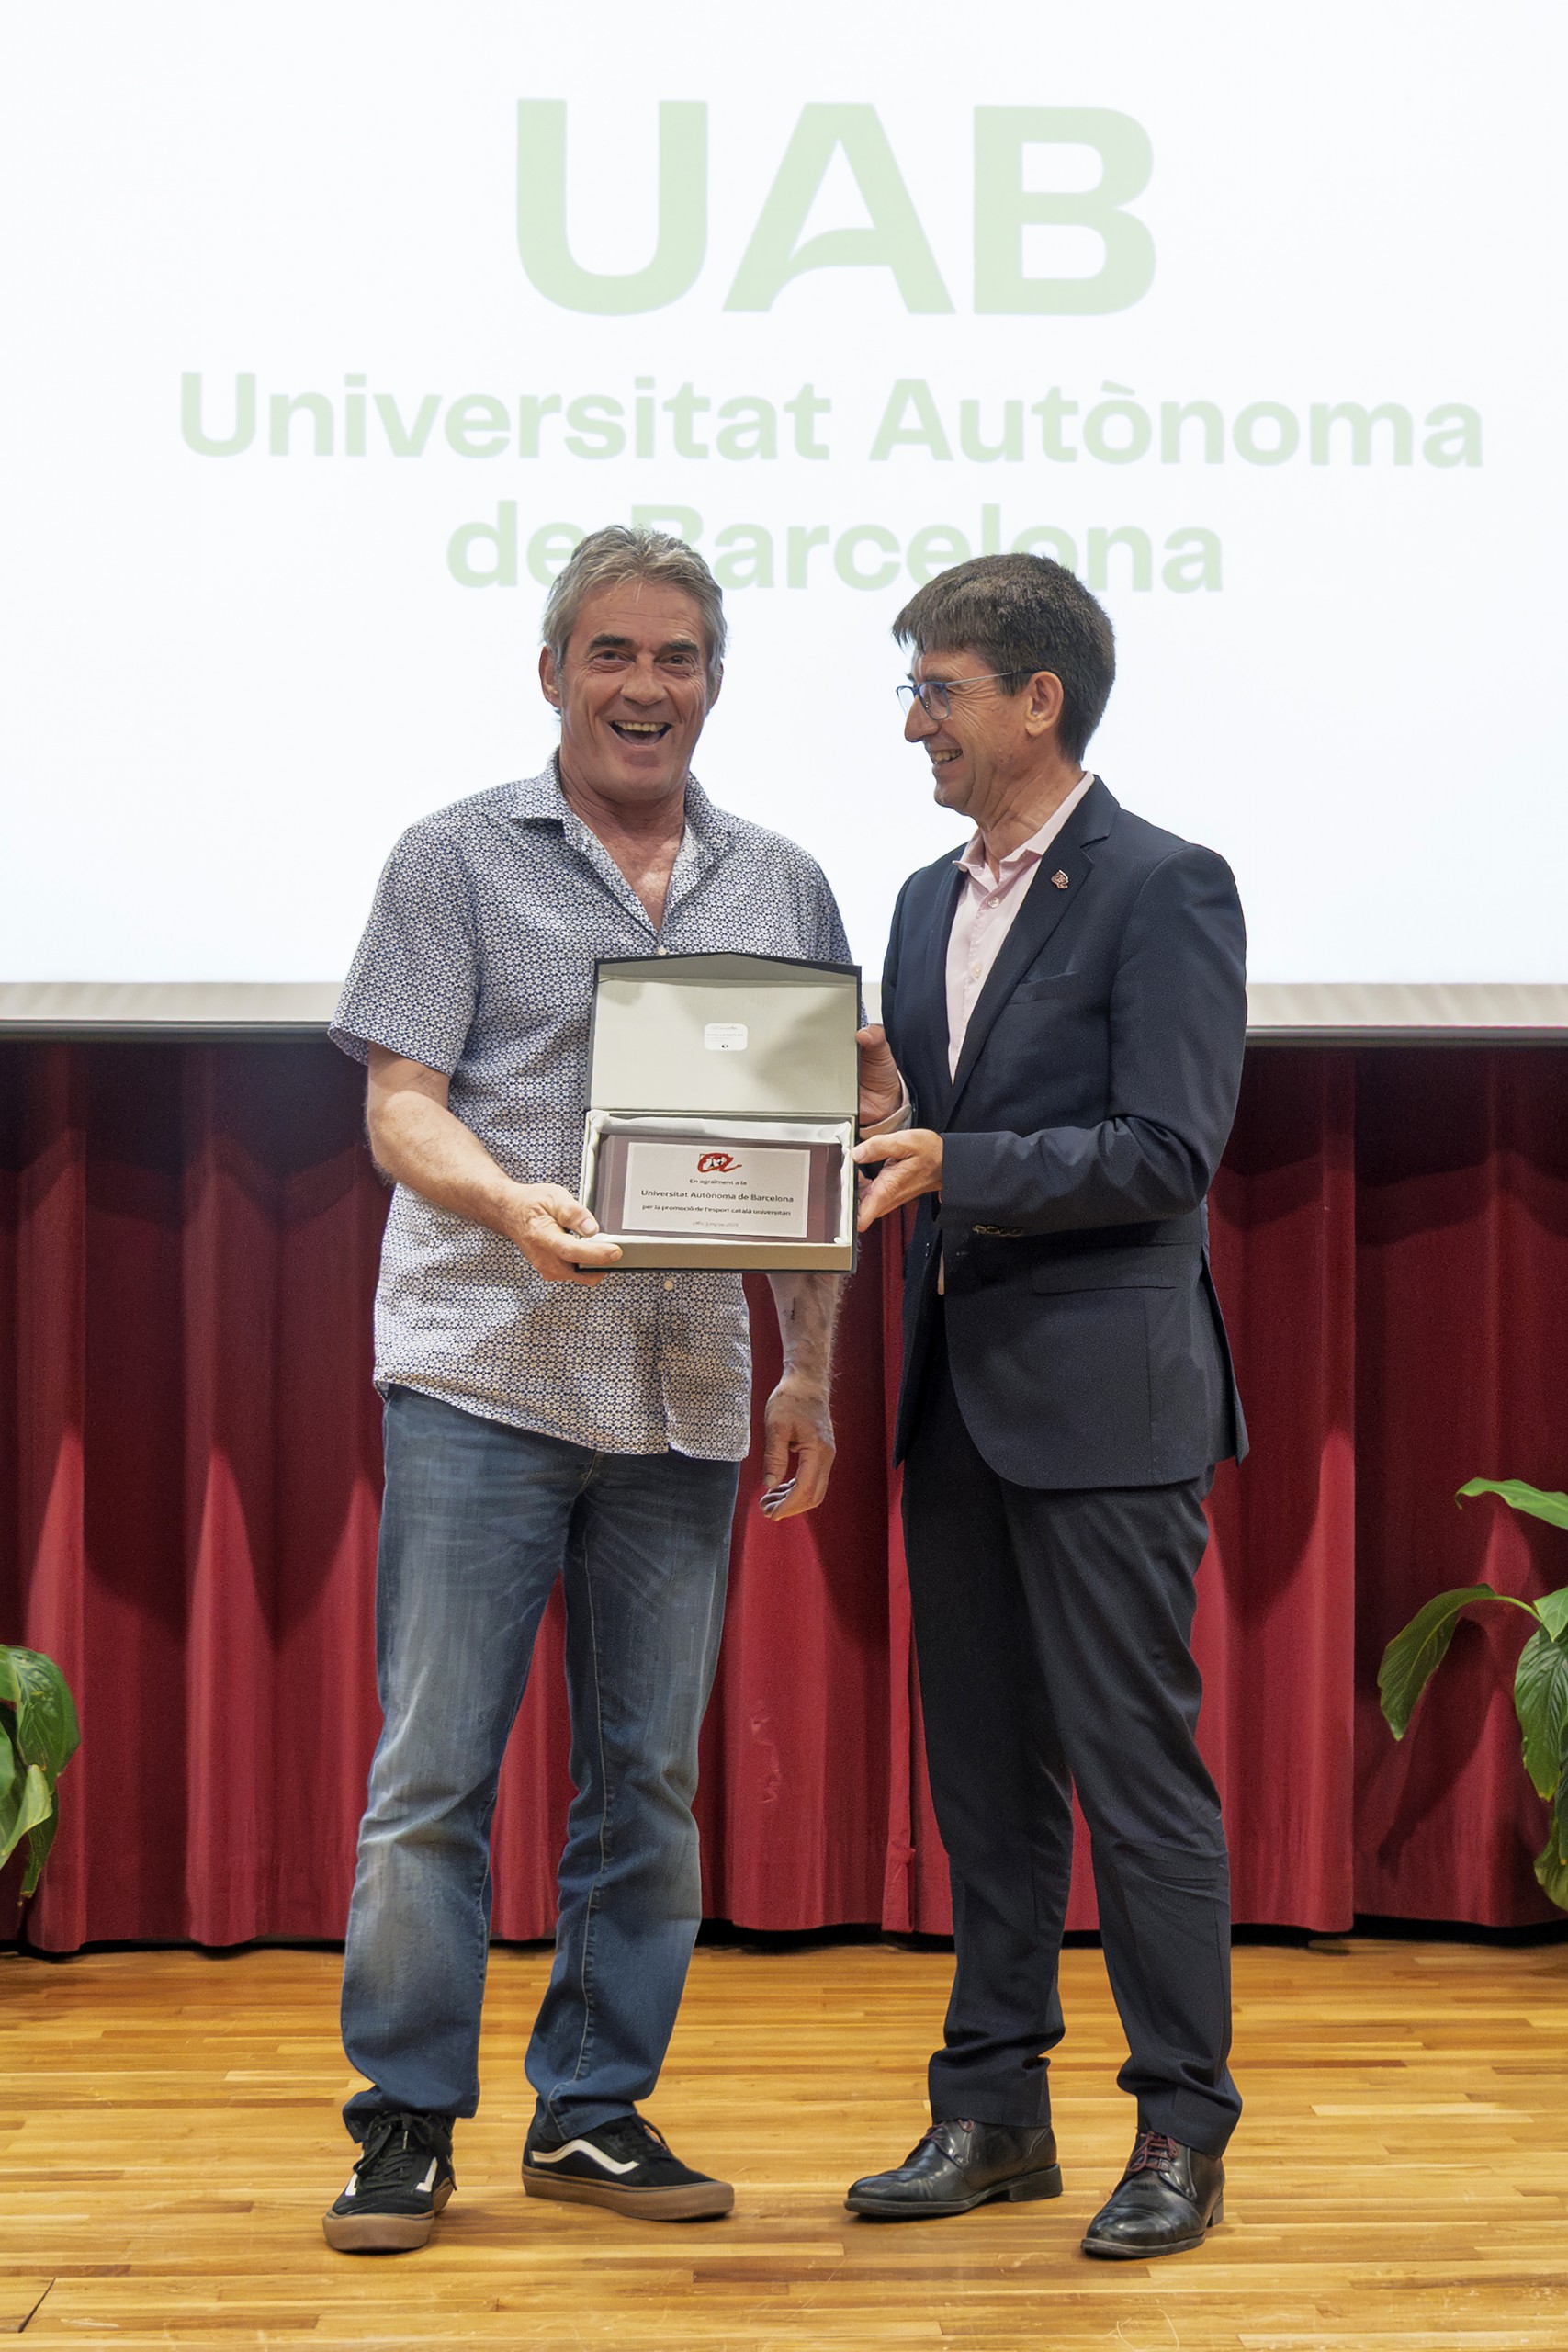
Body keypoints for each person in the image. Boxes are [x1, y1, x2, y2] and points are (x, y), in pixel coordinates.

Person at [321, 527, 850, 2252]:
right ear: (552, 672)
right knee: (433, 1777)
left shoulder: (782, 885)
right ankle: (405, 2122)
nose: (645, 687)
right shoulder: (454, 855)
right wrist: (507, 1205)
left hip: (686, 1396)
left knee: (649, 1788)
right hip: (485, 1367)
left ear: (716, 682)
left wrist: (811, 1367)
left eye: (678, 657)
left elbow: (810, 1154)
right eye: (612, 653)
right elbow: (401, 1104)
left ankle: (594, 2114)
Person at [849, 553, 1247, 2259]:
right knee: (985, 1787)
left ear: (1038, 699)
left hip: (1105, 1404)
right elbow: (928, 1121)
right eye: (912, 693)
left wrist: (961, 1160)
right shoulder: (920, 901)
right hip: (956, 1400)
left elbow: (1168, 1150)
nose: (914, 726)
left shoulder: (1166, 884)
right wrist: (868, 1111)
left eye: (935, 691)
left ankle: (1179, 2133)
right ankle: (994, 2111)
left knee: (1135, 1781)